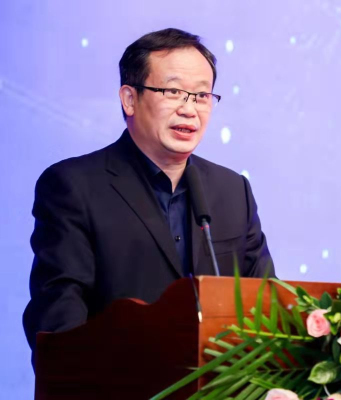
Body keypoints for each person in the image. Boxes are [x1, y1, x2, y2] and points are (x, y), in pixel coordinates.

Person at [23, 28, 274, 357]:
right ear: (130, 99)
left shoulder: (232, 190)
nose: (189, 109)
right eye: (173, 91)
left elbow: (269, 309)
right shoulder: (73, 186)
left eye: (201, 95)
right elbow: (59, 320)